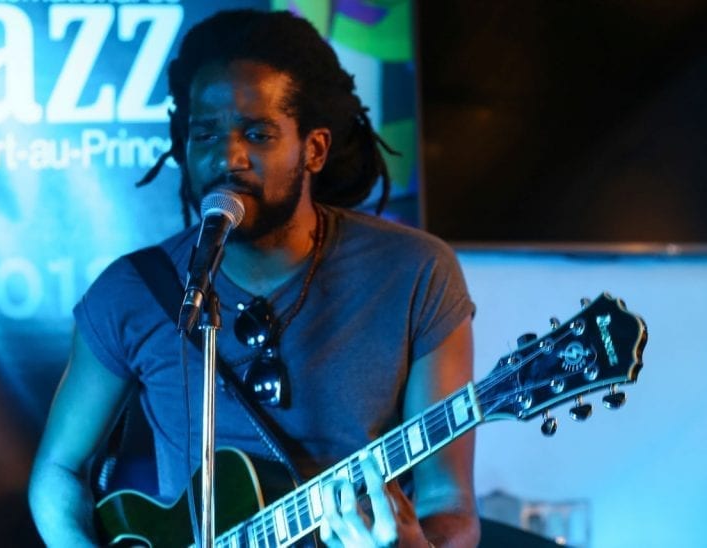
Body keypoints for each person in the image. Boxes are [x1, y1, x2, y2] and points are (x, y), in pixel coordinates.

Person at [30, 9, 479, 547]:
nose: (228, 156)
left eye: (258, 133)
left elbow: (448, 503)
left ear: (313, 148)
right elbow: (57, 472)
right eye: (205, 132)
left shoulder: (416, 273)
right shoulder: (133, 291)